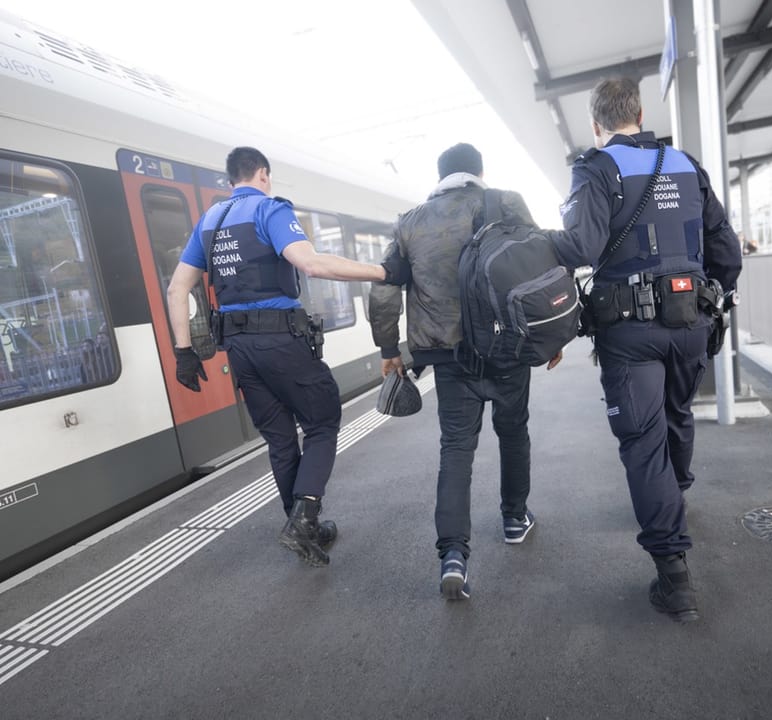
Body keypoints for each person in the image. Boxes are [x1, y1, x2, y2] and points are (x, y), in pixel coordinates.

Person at [542, 78, 742, 622]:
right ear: (639, 111)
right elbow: (723, 244)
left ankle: (674, 575)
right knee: (679, 414)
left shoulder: (596, 168)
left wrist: (536, 240)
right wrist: (716, 293)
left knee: (642, 439)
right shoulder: (684, 162)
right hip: (692, 319)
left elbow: (580, 246)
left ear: (596, 123)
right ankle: (676, 495)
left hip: (630, 331)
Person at [166, 146, 389, 568]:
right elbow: (311, 263)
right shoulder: (269, 210)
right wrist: (382, 272)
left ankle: (303, 526)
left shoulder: (208, 222)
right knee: (322, 422)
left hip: (240, 351)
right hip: (281, 341)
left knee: (281, 440)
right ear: (263, 174)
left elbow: (178, 289)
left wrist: (184, 352)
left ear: (231, 179)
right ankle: (304, 516)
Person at [369, 143, 548, 601]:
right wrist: (552, 338)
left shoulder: (410, 222)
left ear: (440, 176)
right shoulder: (503, 202)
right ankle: (514, 518)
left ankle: (453, 555)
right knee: (513, 433)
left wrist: (389, 347)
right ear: (479, 172)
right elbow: (539, 264)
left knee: (456, 451)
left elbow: (386, 287)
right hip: (506, 348)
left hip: (448, 359)